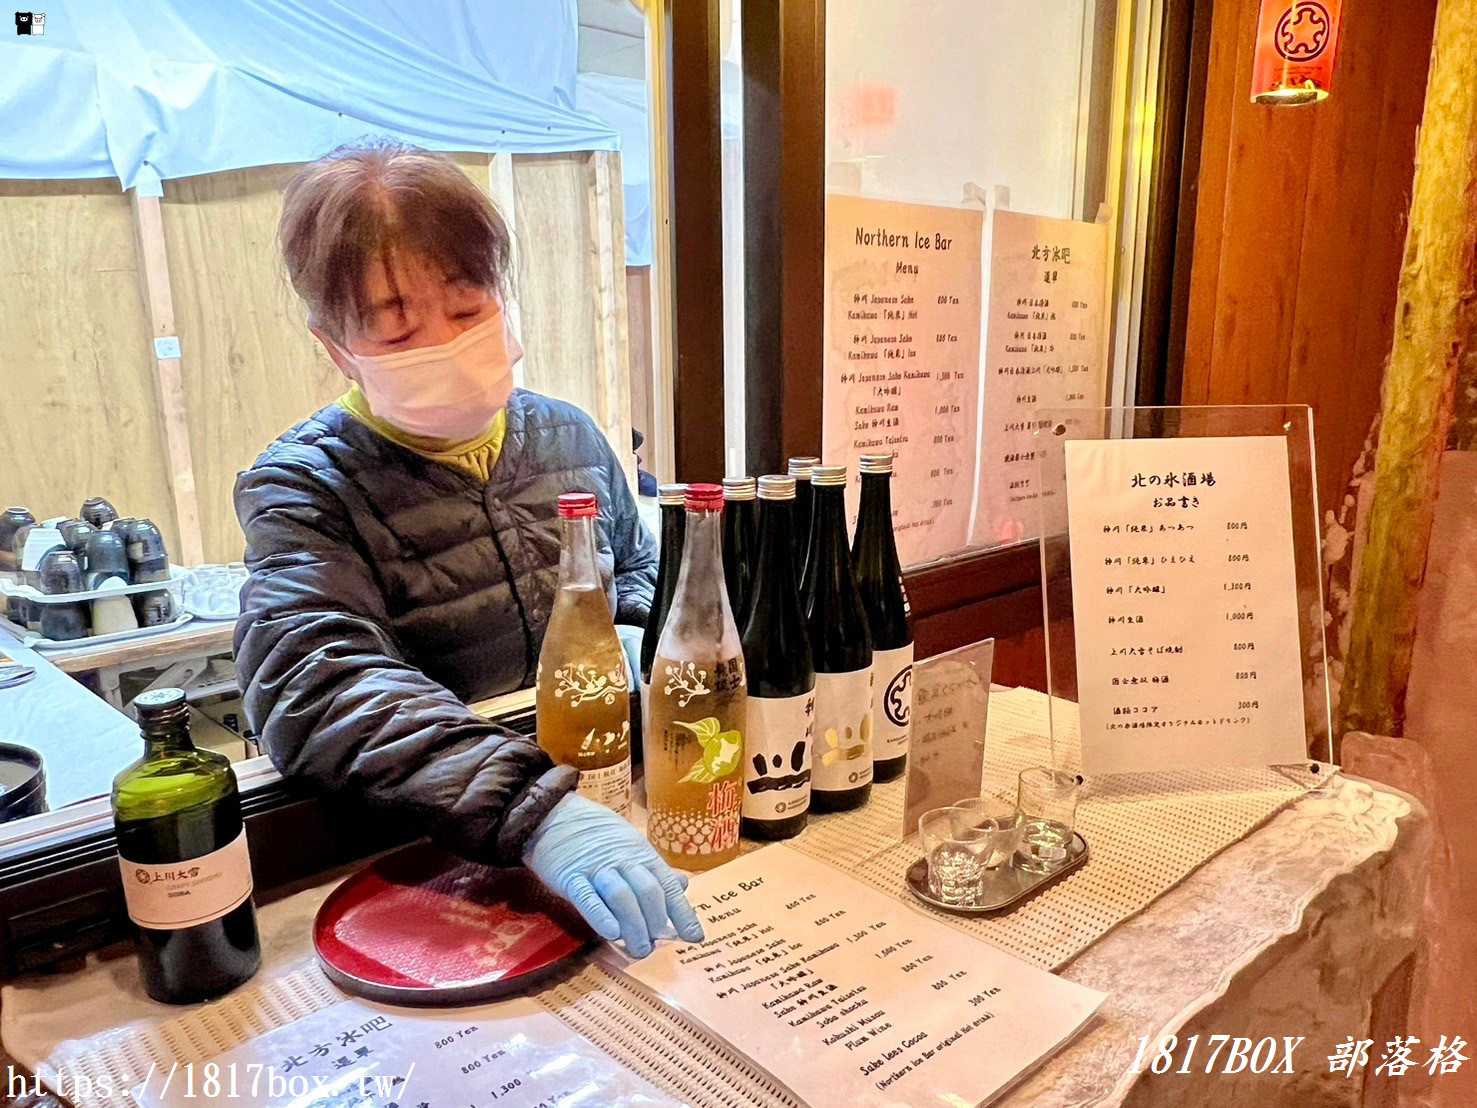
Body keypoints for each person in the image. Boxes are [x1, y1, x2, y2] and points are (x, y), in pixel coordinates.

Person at [233, 142, 701, 957]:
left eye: (466, 307)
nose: (443, 343)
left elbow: (633, 566)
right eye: (395, 328)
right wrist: (536, 811)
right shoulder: (305, 486)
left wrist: (628, 630)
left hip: (610, 797)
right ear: (335, 346)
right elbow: (315, 680)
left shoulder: (570, 435)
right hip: (432, 858)